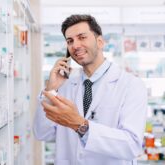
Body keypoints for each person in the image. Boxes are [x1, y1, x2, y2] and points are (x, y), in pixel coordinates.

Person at [33, 14, 147, 165]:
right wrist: (50, 90)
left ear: (100, 42)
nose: (75, 45)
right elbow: (42, 133)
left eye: (82, 37)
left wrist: (80, 125)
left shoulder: (131, 85)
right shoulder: (65, 85)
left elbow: (131, 145)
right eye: (70, 41)